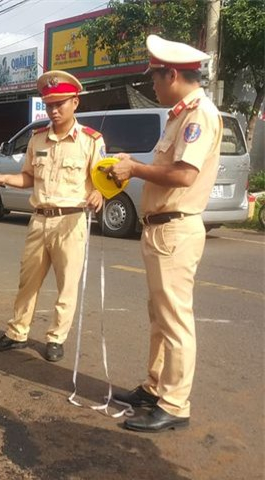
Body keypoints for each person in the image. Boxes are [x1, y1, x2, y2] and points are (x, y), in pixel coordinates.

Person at [107, 35, 221, 432]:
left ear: (171, 74)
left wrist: (134, 170)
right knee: (159, 316)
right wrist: (133, 164)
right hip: (160, 228)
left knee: (174, 320)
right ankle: (155, 388)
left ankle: (175, 404)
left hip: (176, 229)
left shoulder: (199, 115)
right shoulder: (179, 114)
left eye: (154, 77)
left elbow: (185, 175)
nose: (151, 85)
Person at [0, 70, 104, 362]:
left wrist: (100, 194)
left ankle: (56, 338)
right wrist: (3, 178)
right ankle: (17, 332)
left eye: (60, 103)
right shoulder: (37, 140)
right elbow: (28, 178)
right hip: (39, 219)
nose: (53, 110)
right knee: (28, 280)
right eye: (49, 104)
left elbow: (103, 180)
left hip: (71, 221)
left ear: (74, 103)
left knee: (67, 285)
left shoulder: (91, 141)